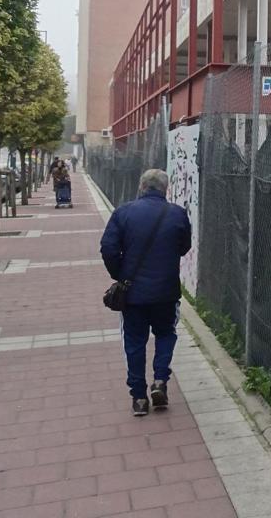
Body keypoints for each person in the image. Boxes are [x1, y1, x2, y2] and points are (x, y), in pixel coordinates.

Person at [100, 168, 191, 416]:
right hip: (166, 292)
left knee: (134, 342)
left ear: (141, 187)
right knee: (166, 334)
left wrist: (120, 274)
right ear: (165, 189)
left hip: (133, 294)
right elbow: (185, 247)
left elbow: (107, 248)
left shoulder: (124, 213)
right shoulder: (177, 214)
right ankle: (160, 380)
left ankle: (139, 397)